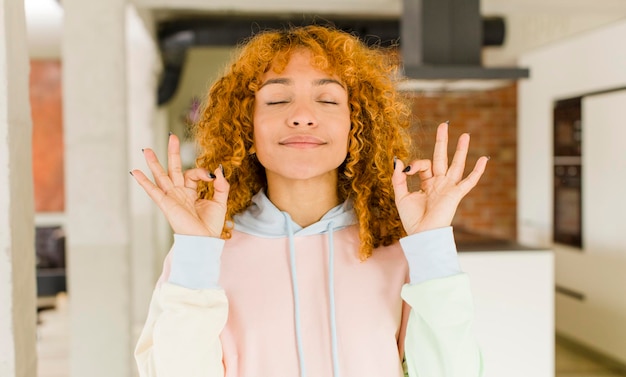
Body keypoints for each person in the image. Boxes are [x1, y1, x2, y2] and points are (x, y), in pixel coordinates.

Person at [131, 24, 488, 377]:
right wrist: (195, 252)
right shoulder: (203, 255)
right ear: (247, 127)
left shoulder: (397, 250)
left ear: (355, 125)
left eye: (328, 100)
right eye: (278, 99)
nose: (302, 115)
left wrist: (432, 245)